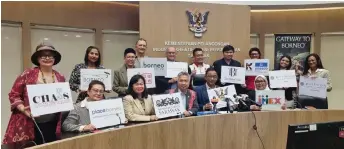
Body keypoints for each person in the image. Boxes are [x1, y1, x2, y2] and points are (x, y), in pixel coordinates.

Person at [2, 42, 65, 145]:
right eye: (43, 55)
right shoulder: (28, 74)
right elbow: (14, 94)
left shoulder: (60, 77)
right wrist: (22, 108)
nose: (47, 58)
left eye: (50, 55)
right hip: (29, 122)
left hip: (52, 123)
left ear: (54, 58)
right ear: (37, 58)